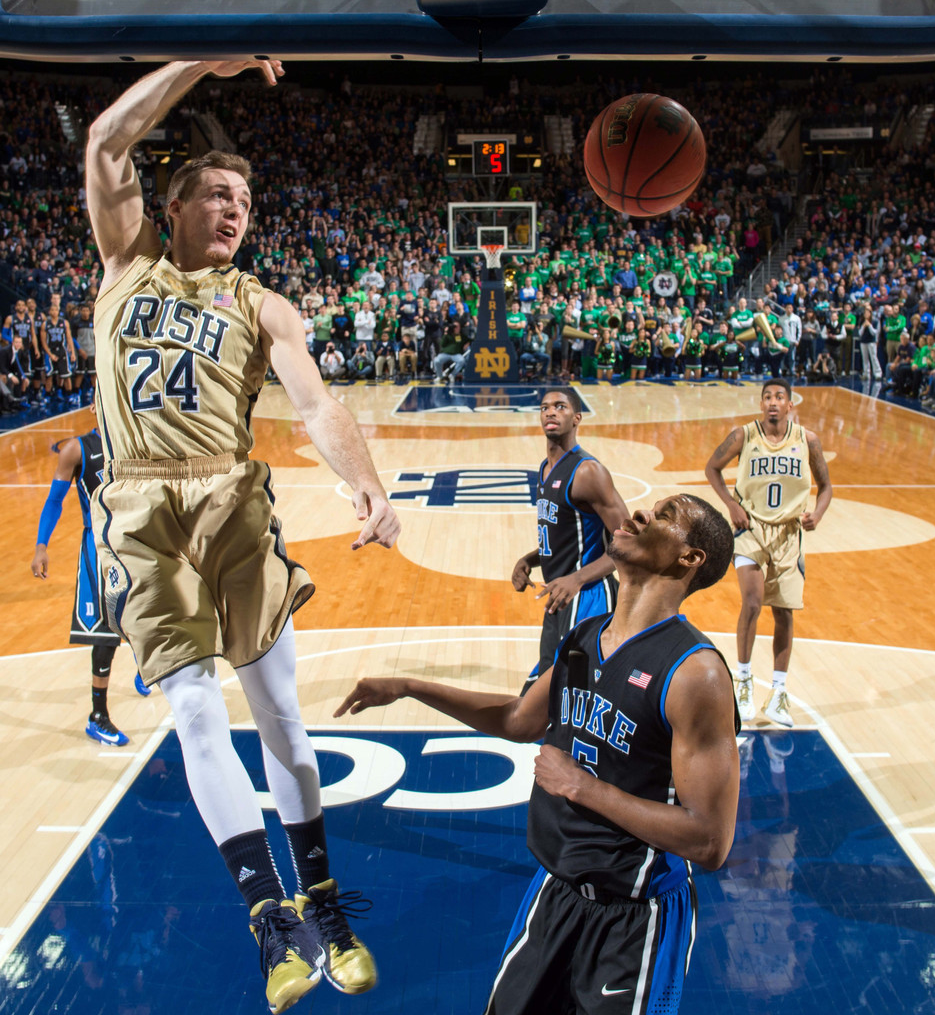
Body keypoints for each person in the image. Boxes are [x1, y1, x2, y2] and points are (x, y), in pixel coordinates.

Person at [85, 60, 400, 1014]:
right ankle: (270, 916)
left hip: (231, 507)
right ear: (169, 206)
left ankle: (325, 897)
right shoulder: (124, 264)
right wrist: (198, 64)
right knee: (190, 712)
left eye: (247, 202)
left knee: (282, 719)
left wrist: (366, 487)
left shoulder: (264, 305)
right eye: (217, 195)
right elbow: (106, 142)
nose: (235, 211)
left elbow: (315, 401)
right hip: (141, 514)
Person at [336, 493, 740, 1015]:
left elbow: (710, 841)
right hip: (555, 894)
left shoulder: (695, 673)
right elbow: (516, 720)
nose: (640, 513)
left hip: (636, 920)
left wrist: (584, 788)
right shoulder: (584, 637)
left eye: (664, 516)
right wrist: (412, 686)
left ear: (690, 559)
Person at [705, 378, 832, 728]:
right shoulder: (744, 436)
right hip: (751, 529)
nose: (773, 402)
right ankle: (743, 682)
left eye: (779, 397)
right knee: (752, 601)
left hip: (790, 534)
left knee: (785, 614)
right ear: (761, 404)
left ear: (791, 405)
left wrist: (817, 515)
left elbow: (826, 486)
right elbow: (711, 467)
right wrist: (730, 503)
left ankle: (778, 692)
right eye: (767, 397)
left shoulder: (807, 440)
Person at [512, 388, 630, 688]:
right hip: (560, 597)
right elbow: (564, 537)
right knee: (543, 697)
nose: (550, 412)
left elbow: (629, 543)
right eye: (545, 408)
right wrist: (529, 560)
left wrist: (577, 579)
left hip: (589, 596)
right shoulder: (545, 469)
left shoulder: (588, 471)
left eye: (560, 407)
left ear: (577, 418)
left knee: (574, 695)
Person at [30, 427, 130, 745]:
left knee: (157, 608)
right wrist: (41, 547)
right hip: (99, 545)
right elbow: (54, 500)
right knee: (105, 632)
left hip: (136, 539)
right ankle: (97, 716)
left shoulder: (134, 436)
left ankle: (146, 667)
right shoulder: (76, 449)